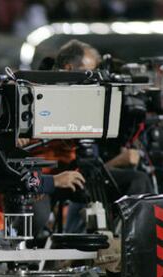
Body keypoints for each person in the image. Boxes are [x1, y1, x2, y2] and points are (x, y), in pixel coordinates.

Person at [51, 39, 154, 232]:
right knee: (137, 180)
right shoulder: (46, 97)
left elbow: (88, 164)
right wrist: (118, 162)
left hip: (78, 175)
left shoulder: (86, 101)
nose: (95, 81)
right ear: (68, 68)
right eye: (90, 72)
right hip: (49, 178)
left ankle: (129, 244)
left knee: (138, 180)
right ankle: (129, 244)